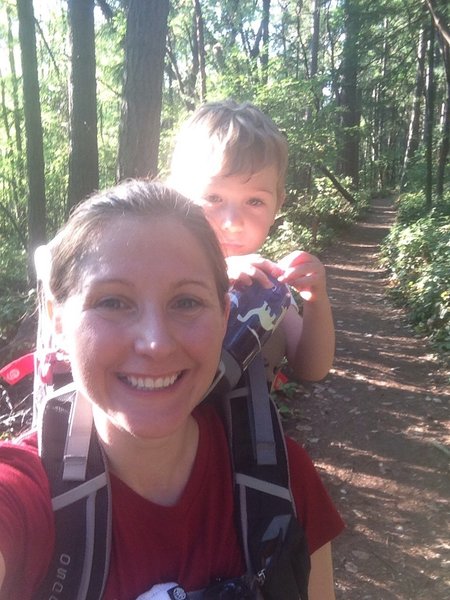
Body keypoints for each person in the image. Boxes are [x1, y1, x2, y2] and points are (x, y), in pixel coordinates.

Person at [0, 180, 343, 599]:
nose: (156, 343)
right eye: (112, 302)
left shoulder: (285, 482)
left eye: (186, 302)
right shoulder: (22, 494)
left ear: (223, 314)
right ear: (57, 320)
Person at [168, 100, 335, 386]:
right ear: (175, 197)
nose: (232, 221)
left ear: (277, 206)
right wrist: (216, 278)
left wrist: (315, 300)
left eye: (255, 201)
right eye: (213, 198)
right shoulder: (159, 270)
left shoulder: (267, 289)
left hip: (245, 431)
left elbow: (312, 369)